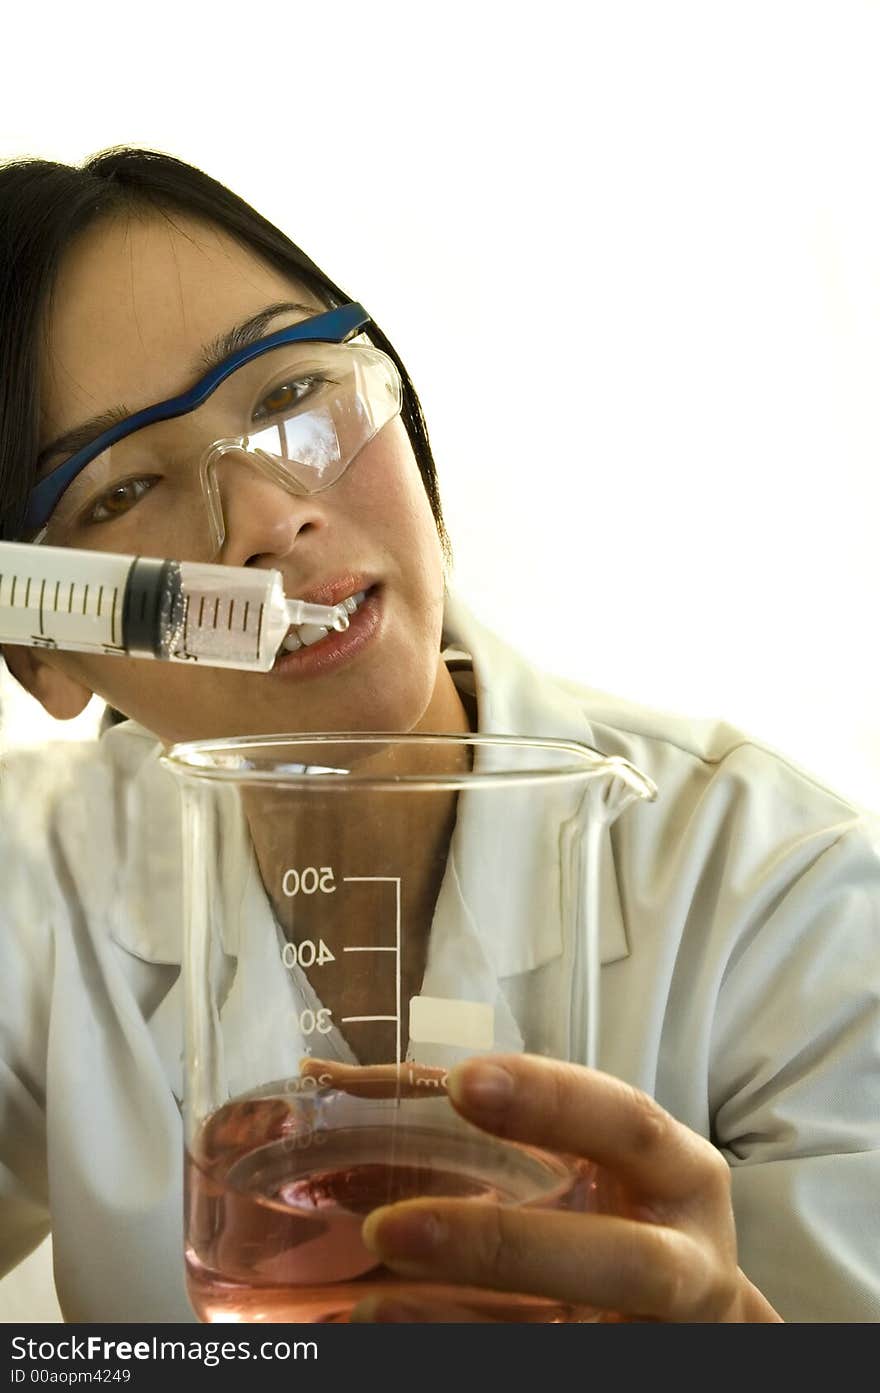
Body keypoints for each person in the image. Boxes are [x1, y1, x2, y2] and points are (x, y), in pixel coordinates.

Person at [0, 147, 877, 1325]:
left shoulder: (783, 895)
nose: (267, 518)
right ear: (41, 651)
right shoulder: (30, 883)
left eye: (287, 393)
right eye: (117, 490)